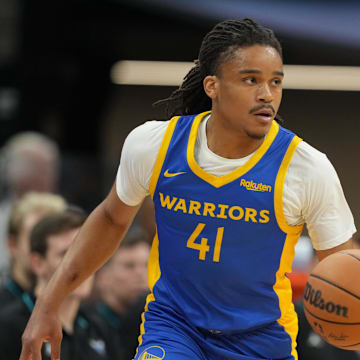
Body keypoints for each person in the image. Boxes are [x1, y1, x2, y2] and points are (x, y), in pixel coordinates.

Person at [20, 18, 356, 360]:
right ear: (213, 85)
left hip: (261, 340)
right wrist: (48, 303)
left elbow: (342, 271)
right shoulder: (155, 145)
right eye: (251, 80)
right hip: (174, 329)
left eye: (276, 82)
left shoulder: (306, 168)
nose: (267, 94)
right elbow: (110, 219)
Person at [0, 209, 113, 360]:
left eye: (87, 252)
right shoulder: (9, 327)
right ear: (38, 263)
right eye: (66, 254)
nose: (81, 265)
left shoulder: (99, 327)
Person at [0, 132, 60, 277]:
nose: (49, 175)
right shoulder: (3, 218)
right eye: (40, 169)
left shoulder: (70, 217)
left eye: (51, 167)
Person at [87, 226, 150, 360]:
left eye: (147, 265)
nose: (141, 274)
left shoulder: (157, 326)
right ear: (102, 276)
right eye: (129, 266)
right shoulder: (87, 329)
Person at [0, 192, 67, 307]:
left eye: (55, 238)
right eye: (36, 236)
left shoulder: (76, 313)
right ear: (13, 245)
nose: (47, 248)